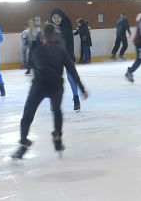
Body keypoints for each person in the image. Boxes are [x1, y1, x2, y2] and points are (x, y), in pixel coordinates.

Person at [12, 23, 88, 159]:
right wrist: (81, 89)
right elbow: (72, 70)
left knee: (27, 115)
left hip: (39, 86)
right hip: (55, 86)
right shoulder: (61, 51)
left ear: (43, 36)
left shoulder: (36, 51)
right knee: (57, 111)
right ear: (55, 36)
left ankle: (23, 143)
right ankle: (57, 136)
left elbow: (31, 65)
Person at [49, 9, 82, 110]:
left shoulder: (67, 30)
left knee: (71, 78)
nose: (56, 19)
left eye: (58, 17)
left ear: (62, 18)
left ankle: (76, 98)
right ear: (51, 19)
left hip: (67, 57)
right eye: (54, 18)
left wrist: (70, 57)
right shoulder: (49, 30)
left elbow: (70, 45)